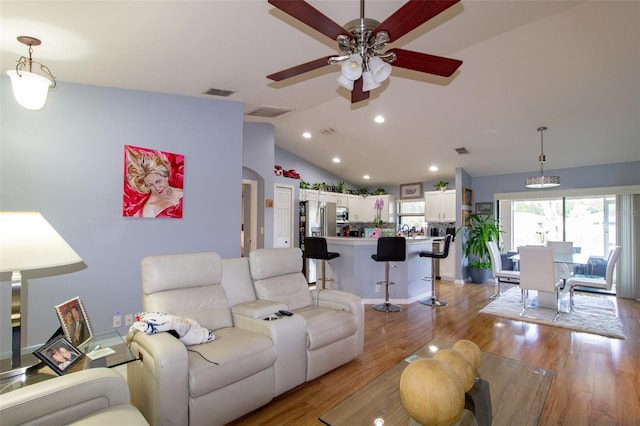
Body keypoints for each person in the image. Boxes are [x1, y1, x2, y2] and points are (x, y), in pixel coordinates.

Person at [125, 146, 183, 218]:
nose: (157, 188)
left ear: (166, 176)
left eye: (158, 181)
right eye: (150, 185)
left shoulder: (182, 193)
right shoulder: (150, 209)